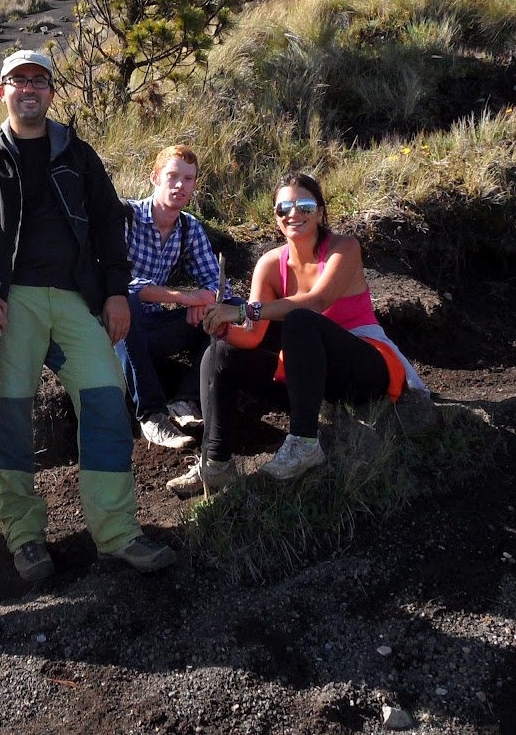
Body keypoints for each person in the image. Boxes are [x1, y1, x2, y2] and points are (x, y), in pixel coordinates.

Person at [0, 48, 176, 582]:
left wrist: (116, 293)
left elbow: (107, 228)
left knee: (105, 403)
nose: (29, 88)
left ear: (52, 92)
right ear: (1, 90)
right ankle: (25, 539)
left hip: (77, 299)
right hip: (12, 303)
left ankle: (118, 533)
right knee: (11, 421)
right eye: (18, 79)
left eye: (40, 80)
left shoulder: (78, 154)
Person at [168, 171, 429, 497]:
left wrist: (241, 310)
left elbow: (317, 302)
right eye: (284, 208)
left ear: (320, 211)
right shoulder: (269, 264)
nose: (294, 214)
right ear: (276, 216)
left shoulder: (344, 249)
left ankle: (305, 443)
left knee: (300, 320)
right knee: (218, 353)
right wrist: (223, 328)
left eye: (304, 205)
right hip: (315, 377)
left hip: (366, 367)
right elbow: (251, 336)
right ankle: (216, 462)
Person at [117, 144, 220, 450]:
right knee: (129, 302)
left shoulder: (189, 228)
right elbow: (120, 284)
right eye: (173, 176)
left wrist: (205, 302)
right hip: (112, 330)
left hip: (154, 328)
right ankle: (151, 417)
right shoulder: (126, 216)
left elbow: (217, 282)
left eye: (188, 179)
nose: (180, 185)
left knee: (230, 308)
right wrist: (184, 297)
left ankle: (186, 400)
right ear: (155, 177)